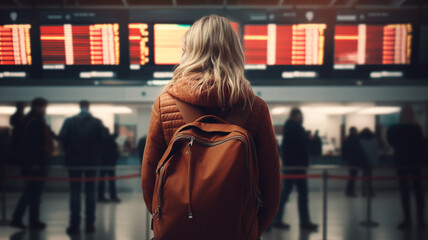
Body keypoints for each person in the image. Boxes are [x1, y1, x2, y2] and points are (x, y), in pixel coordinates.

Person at [141, 15, 280, 239]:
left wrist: (172, 222)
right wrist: (248, 230)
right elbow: (271, 192)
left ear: (190, 52)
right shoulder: (255, 108)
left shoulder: (165, 103)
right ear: (234, 53)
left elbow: (150, 182)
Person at [59, 100, 109, 234]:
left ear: (79, 107)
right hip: (92, 162)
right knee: (90, 192)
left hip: (73, 162)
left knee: (75, 192)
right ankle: (90, 223)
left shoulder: (70, 121)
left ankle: (74, 224)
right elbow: (105, 137)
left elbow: (62, 136)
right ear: (88, 107)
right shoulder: (96, 122)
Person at [10, 98, 54, 230]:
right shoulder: (35, 122)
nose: (45, 110)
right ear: (37, 107)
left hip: (33, 162)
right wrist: (35, 162)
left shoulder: (30, 120)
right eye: (43, 107)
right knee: (32, 192)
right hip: (36, 163)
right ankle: (22, 218)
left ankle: (30, 219)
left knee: (32, 192)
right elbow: (33, 144)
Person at [272, 108, 318, 231]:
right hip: (295, 167)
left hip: (293, 166)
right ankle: (280, 220)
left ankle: (278, 220)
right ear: (295, 116)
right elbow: (299, 147)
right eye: (300, 115)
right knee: (293, 194)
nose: (302, 118)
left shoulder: (290, 128)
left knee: (289, 194)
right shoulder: (295, 129)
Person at [387, 105, 426, 229]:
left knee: (404, 192)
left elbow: (391, 141)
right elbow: (420, 143)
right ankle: (420, 220)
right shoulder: (416, 128)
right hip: (415, 162)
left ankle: (407, 220)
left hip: (401, 162)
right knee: (418, 190)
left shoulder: (394, 128)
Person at [342, 127, 368, 197]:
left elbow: (344, 150)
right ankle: (350, 191)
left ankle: (349, 191)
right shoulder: (356, 139)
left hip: (351, 160)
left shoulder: (347, 139)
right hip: (355, 160)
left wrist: (344, 159)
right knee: (353, 176)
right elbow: (359, 150)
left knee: (352, 176)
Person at [98, 130, 120, 203]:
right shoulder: (112, 141)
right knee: (111, 182)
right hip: (111, 164)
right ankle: (113, 196)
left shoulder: (101, 141)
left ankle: (100, 196)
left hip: (102, 164)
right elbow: (116, 153)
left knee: (101, 182)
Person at [359, 128, 378, 197]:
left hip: (364, 162)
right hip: (371, 162)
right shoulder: (374, 141)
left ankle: (364, 191)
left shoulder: (361, 141)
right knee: (369, 177)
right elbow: (375, 152)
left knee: (364, 177)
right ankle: (370, 190)